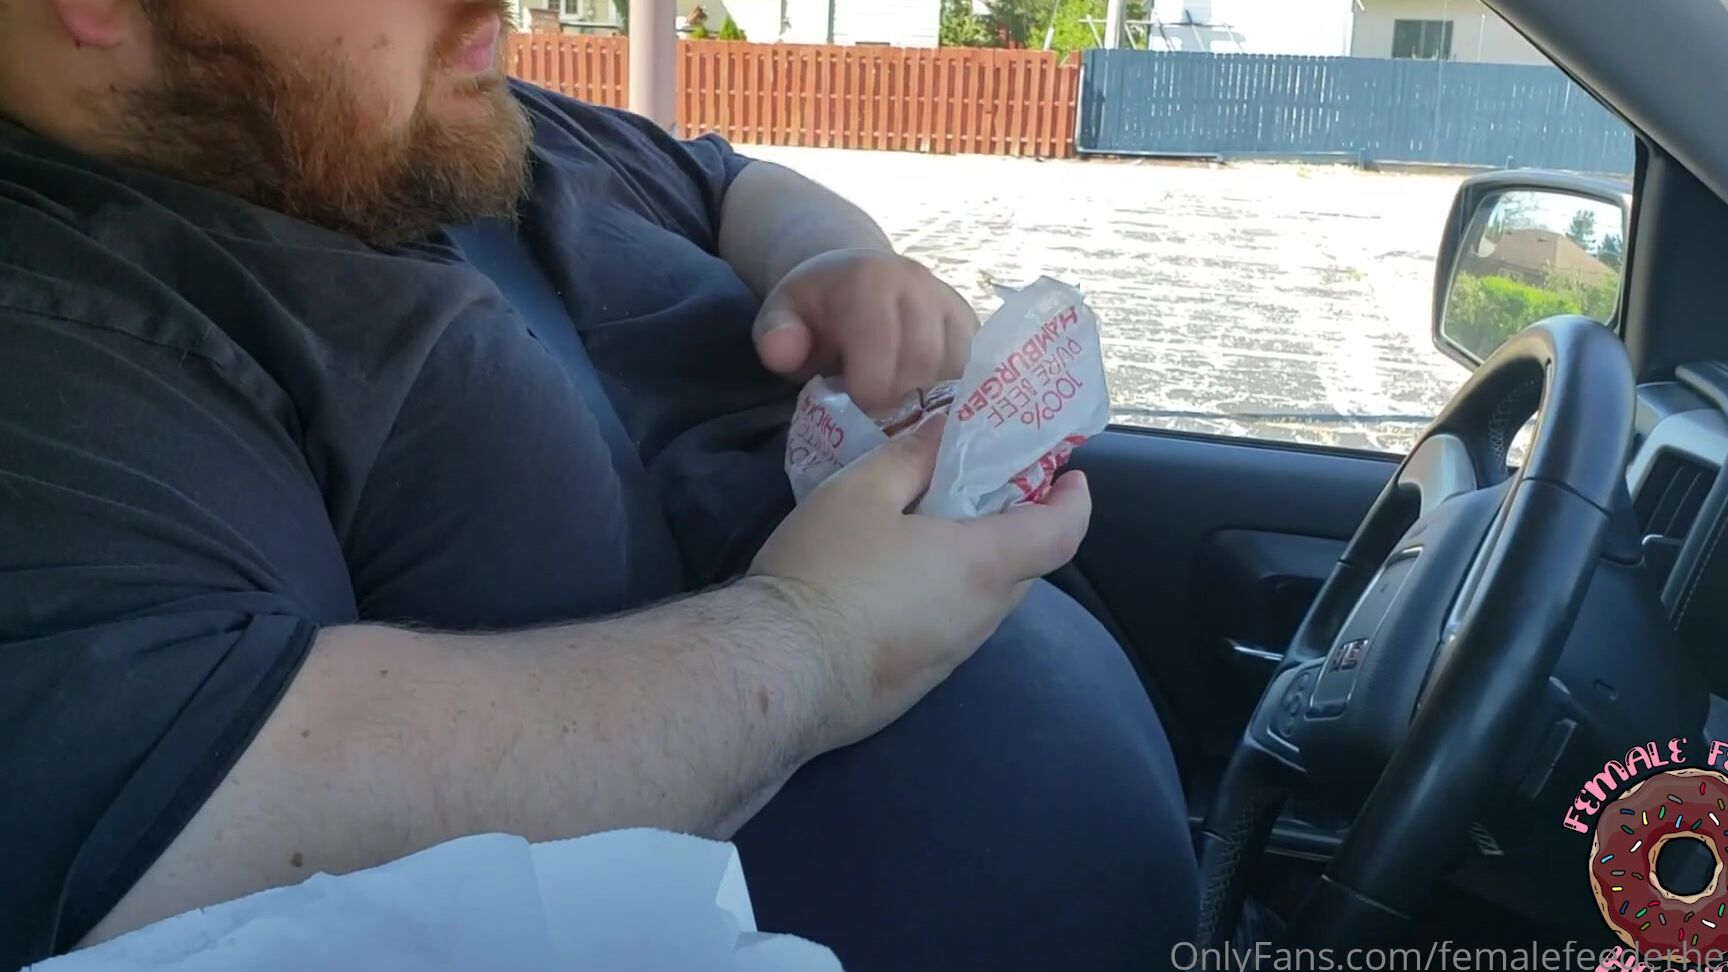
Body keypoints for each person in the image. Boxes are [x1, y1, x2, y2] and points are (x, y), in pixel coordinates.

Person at [0, 0, 1198, 967]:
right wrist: (814, 641)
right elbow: (212, 823)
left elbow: (730, 186)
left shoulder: (446, 123)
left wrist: (836, 259)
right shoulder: (60, 350)